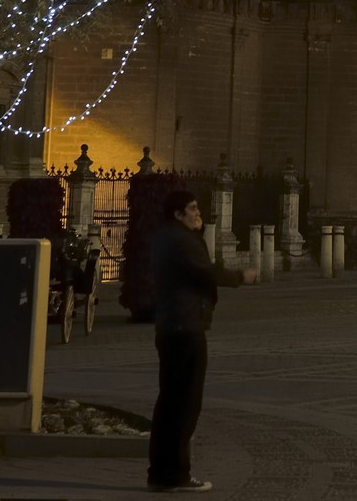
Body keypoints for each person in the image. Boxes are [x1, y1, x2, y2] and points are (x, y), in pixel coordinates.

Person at [147, 188, 257, 493]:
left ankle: (161, 472)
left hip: (173, 326)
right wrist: (240, 277)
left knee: (170, 402)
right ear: (178, 214)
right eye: (193, 209)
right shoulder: (180, 240)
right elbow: (205, 271)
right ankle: (175, 474)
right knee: (184, 405)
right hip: (185, 328)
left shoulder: (166, 237)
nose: (198, 214)